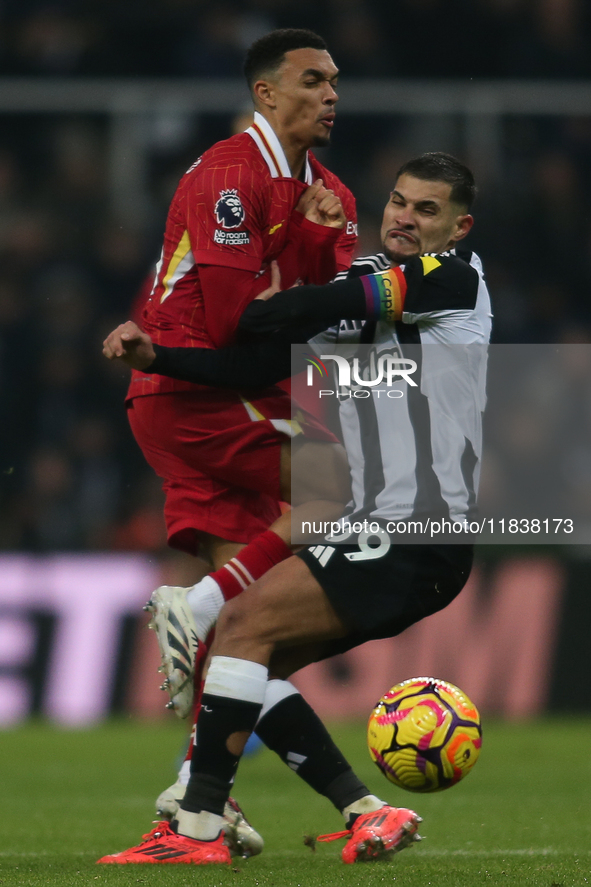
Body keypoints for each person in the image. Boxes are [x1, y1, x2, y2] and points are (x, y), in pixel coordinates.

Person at [99, 153, 492, 865]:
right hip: (371, 520)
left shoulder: (454, 281)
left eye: (426, 209)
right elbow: (256, 362)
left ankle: (196, 830)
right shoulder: (359, 280)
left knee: (244, 624)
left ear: (457, 225)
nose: (404, 216)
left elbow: (305, 309)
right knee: (246, 657)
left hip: (415, 525)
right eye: (399, 201)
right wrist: (160, 358)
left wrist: (249, 297)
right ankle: (364, 810)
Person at [118, 28, 359, 853]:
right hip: (193, 391)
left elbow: (332, 317)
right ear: (266, 93)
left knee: (248, 633)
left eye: (335, 82)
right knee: (333, 490)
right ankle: (196, 605)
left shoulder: (328, 192)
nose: (331, 95)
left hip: (227, 392)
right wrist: (308, 243)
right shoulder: (232, 176)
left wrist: (320, 242)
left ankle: (201, 801)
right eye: (312, 80)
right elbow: (229, 328)